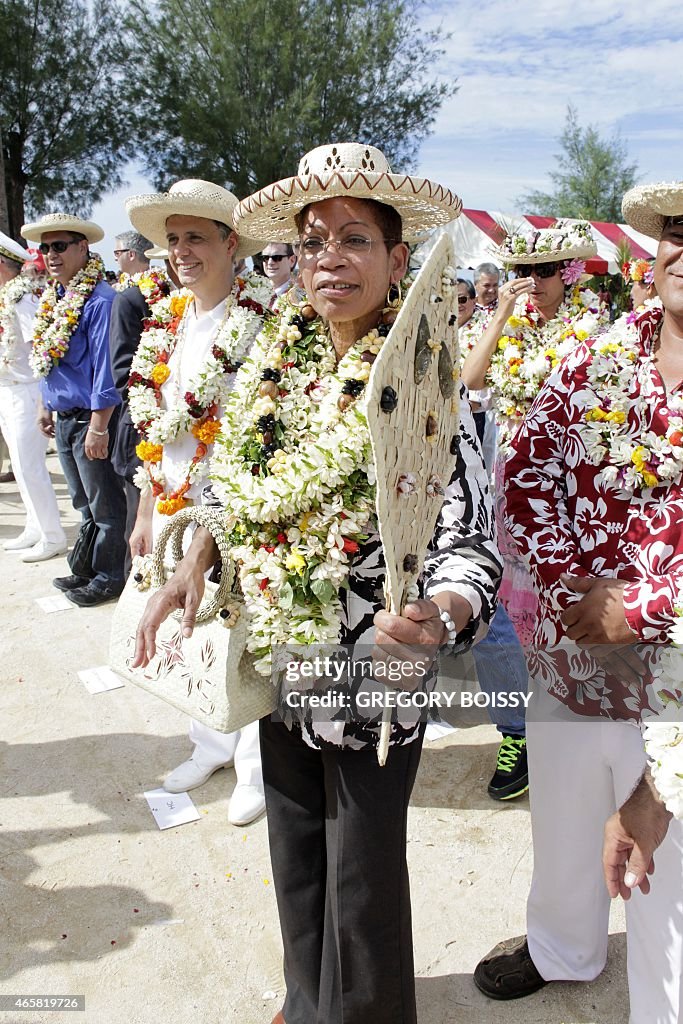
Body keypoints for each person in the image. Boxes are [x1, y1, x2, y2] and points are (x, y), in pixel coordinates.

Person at [131, 142, 501, 1024]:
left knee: (361, 872)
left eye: (354, 239)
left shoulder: (436, 393)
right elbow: (231, 495)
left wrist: (436, 618)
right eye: (312, 240)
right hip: (278, 654)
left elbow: (470, 553)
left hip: (377, 667)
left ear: (398, 260)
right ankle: (307, 1005)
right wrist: (193, 566)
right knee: (296, 849)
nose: (329, 257)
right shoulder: (273, 372)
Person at [474, 185, 683, 1024]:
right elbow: (520, 474)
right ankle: (563, 948)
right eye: (675, 232)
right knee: (563, 816)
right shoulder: (596, 355)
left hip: (671, 672)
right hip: (573, 651)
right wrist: (570, 597)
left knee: (663, 858)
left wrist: (642, 608)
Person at [124, 178, 271, 827]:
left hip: (236, 507)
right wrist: (143, 513)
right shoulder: (166, 323)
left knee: (243, 629)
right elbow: (155, 432)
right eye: (173, 239)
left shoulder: (258, 324)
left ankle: (255, 768)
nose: (182, 251)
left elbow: (252, 437)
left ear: (229, 244)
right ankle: (207, 743)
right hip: (171, 505)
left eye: (196, 238)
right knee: (190, 628)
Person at [20, 213, 127, 605]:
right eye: (45, 248)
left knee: (105, 505)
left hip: (89, 418)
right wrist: (43, 404)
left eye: (60, 246)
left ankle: (109, 575)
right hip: (63, 418)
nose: (51, 254)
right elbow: (45, 362)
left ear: (84, 248)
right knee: (82, 502)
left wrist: (99, 427)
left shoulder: (101, 300)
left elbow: (105, 369)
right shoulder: (56, 298)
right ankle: (85, 567)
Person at [455, 276, 529, 799]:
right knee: (496, 618)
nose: (534, 283)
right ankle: (517, 733)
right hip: (501, 498)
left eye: (548, 271)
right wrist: (500, 316)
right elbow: (467, 385)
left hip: (572, 507)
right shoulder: (495, 329)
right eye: (524, 271)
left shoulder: (598, 337)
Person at [0, 231, 66, 559]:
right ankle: (35, 526)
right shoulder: (5, 296)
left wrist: (44, 400)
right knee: (20, 464)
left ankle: (53, 535)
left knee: (30, 466)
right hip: (7, 391)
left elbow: (39, 349)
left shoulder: (22, 298)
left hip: (27, 392)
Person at [108, 240, 169, 575]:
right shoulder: (133, 300)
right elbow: (122, 374)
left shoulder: (207, 302)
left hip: (195, 443)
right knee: (141, 531)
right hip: (144, 436)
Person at [261, 242, 297, 307]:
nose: (270, 262)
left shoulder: (301, 297)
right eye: (266, 257)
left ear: (292, 260)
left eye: (276, 257)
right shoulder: (253, 293)